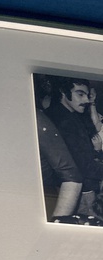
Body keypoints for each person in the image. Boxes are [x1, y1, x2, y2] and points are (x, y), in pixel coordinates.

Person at [46, 77, 103, 215]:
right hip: (83, 191)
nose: (86, 100)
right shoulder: (65, 122)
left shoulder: (66, 114)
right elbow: (84, 166)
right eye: (80, 94)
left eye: (87, 95)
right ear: (63, 92)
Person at [34, 75, 82, 219]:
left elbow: (72, 176)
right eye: (80, 94)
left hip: (43, 198)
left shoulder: (38, 120)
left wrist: (57, 222)